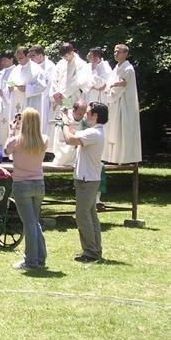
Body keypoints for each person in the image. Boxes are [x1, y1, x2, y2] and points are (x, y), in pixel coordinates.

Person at [61, 102, 109, 262]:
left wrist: (64, 123)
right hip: (88, 178)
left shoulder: (94, 133)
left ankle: (90, 252)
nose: (85, 114)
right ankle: (95, 249)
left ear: (95, 115)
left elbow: (70, 139)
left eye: (88, 112)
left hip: (87, 180)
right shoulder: (94, 131)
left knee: (82, 216)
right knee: (91, 216)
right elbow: (75, 133)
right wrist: (68, 119)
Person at [4, 107, 48, 270]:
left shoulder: (16, 141)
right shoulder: (44, 139)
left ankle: (31, 261)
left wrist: (12, 131)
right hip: (38, 183)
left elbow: (6, 150)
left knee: (29, 224)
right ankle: (40, 258)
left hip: (22, 184)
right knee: (34, 222)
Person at [103, 44, 142, 164]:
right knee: (113, 130)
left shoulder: (128, 69)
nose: (116, 54)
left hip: (123, 104)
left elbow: (121, 85)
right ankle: (113, 157)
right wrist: (109, 88)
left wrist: (110, 91)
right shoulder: (116, 68)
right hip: (114, 104)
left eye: (118, 52)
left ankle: (125, 158)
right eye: (115, 51)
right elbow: (110, 83)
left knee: (123, 130)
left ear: (125, 54)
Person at [48, 42, 92, 151]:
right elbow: (54, 79)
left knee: (71, 121)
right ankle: (58, 151)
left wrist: (63, 94)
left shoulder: (81, 64)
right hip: (59, 99)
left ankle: (72, 150)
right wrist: (54, 94)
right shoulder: (61, 63)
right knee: (60, 121)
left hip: (72, 97)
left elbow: (78, 82)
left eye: (66, 55)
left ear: (72, 52)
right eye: (63, 56)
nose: (65, 58)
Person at [52, 100, 87, 166]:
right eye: (80, 114)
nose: (82, 116)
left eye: (83, 114)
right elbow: (60, 140)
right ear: (74, 110)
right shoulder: (64, 119)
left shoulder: (84, 120)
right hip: (64, 148)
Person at [0, 50, 16, 150]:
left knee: (8, 126)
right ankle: (0, 150)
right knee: (0, 128)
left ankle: (8, 150)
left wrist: (3, 93)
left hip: (10, 104)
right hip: (1, 103)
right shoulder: (1, 73)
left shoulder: (15, 71)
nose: (2, 62)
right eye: (2, 60)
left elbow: (13, 88)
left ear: (11, 59)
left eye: (5, 60)